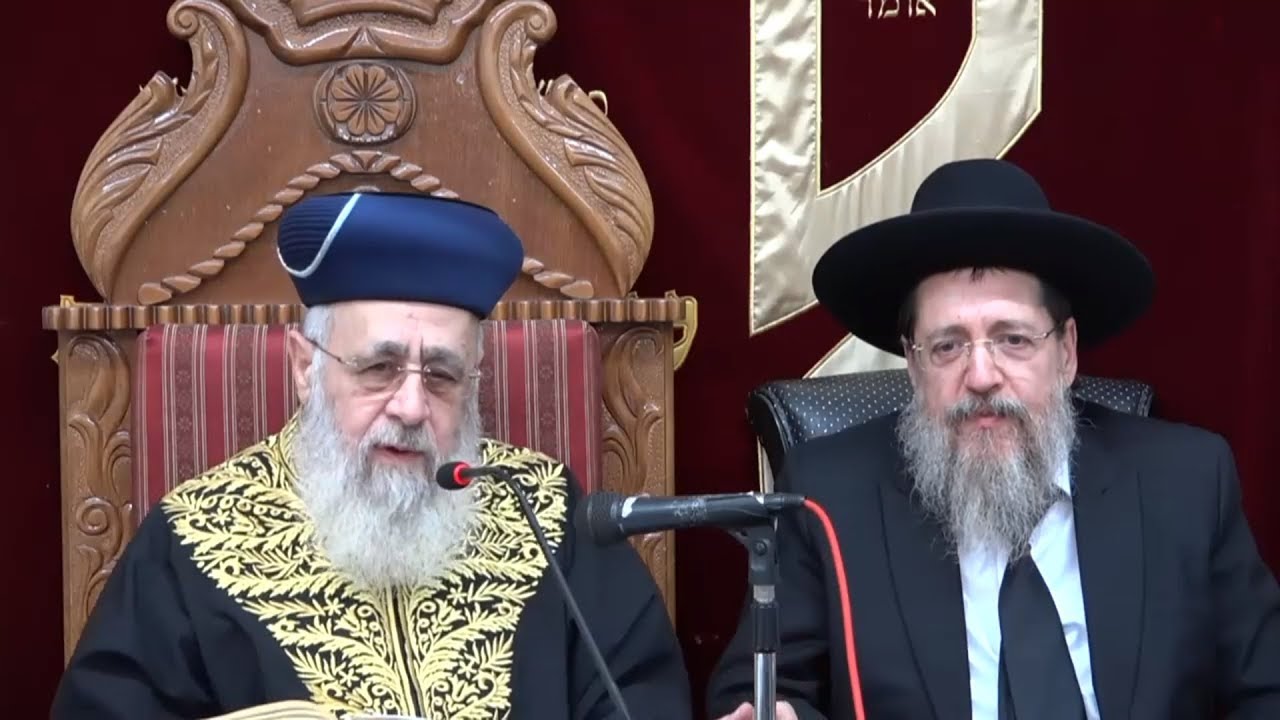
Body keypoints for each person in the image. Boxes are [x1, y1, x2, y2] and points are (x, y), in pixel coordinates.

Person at [52, 192, 691, 719]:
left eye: (441, 374)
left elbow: (638, 696)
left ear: (473, 378)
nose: (411, 407)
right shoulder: (194, 535)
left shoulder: (547, 511)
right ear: (304, 367)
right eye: (378, 368)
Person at [707, 159, 1280, 719]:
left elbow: (1265, 688)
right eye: (948, 345)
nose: (981, 376)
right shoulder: (830, 496)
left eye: (1013, 339)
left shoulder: (1186, 482)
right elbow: (762, 684)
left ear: (1066, 352)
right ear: (914, 364)